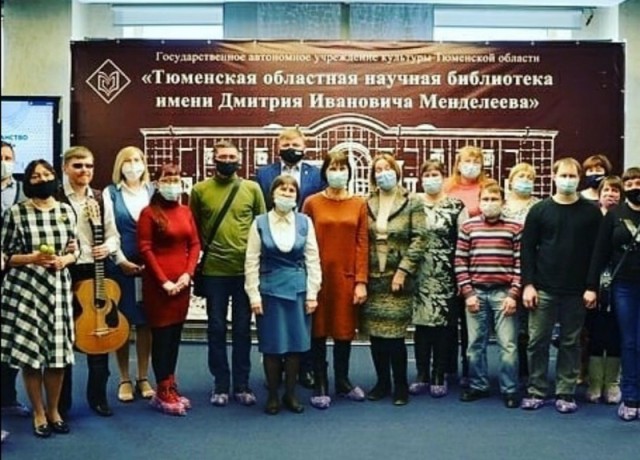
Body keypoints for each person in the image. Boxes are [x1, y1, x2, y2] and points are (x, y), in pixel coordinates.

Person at [1, 159, 78, 437]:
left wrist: (65, 260)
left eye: (47, 174)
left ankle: (54, 410)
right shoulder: (16, 213)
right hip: (26, 291)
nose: (42, 179)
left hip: (57, 289)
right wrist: (32, 258)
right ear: (28, 181)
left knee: (57, 356)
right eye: (36, 176)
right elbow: (6, 256)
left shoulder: (66, 211)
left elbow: (75, 250)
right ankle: (38, 412)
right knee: (32, 356)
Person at [520, 157, 602, 414]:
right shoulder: (539, 210)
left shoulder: (591, 212)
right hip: (543, 288)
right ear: (554, 177)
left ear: (579, 179)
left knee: (570, 342)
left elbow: (597, 253)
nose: (568, 180)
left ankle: (565, 391)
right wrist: (528, 285)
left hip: (576, 291)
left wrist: (592, 286)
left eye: (572, 176)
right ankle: (536, 389)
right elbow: (527, 250)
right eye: (563, 175)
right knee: (537, 342)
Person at [190, 140, 266, 407]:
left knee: (243, 329)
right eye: (222, 156)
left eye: (232, 156)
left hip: (245, 271)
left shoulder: (252, 189)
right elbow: (194, 228)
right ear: (213, 159)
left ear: (240, 159)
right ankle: (220, 384)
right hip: (214, 271)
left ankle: (242, 385)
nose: (227, 160)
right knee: (216, 328)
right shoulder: (199, 190)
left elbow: (261, 227)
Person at [245, 175, 322, 414]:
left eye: (291, 190)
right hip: (269, 293)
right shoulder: (259, 223)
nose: (287, 194)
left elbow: (313, 259)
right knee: (272, 346)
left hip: (298, 292)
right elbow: (251, 261)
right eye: (282, 189)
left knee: (295, 347)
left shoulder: (305, 222)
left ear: (297, 196)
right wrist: (253, 295)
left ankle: (290, 395)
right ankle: (272, 396)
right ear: (273, 194)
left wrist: (313, 293)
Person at [254, 127, 325, 388]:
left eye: (295, 143)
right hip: (273, 250)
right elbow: (261, 210)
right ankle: (275, 373)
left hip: (303, 245)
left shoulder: (316, 174)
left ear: (304, 146)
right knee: (275, 323)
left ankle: (303, 370)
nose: (290, 148)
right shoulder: (264, 174)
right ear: (277, 147)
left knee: (300, 321)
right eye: (285, 143)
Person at [302, 148, 369, 409]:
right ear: (325, 172)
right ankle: (320, 382)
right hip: (317, 277)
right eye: (333, 168)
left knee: (343, 331)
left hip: (346, 278)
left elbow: (362, 243)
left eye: (342, 168)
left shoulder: (359, 204)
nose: (338, 173)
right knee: (317, 331)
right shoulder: (311, 203)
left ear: (349, 173)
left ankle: (342, 380)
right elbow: (302, 241)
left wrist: (361, 281)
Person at [58, 146, 122, 418]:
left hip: (96, 271)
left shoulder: (99, 197)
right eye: (78, 165)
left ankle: (98, 397)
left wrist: (107, 247)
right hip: (65, 272)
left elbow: (113, 235)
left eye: (88, 166)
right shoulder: (55, 197)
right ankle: (61, 404)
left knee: (99, 331)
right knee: (64, 338)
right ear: (65, 168)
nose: (84, 170)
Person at [138, 164, 200, 416]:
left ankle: (170, 384)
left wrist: (188, 274)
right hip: (159, 286)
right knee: (162, 337)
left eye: (176, 179)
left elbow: (194, 244)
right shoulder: (148, 213)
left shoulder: (185, 211)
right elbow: (145, 248)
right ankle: (162, 390)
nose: (172, 184)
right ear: (157, 183)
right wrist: (164, 281)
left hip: (182, 284)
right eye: (167, 179)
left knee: (175, 335)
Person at [361, 154, 424, 406]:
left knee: (395, 336)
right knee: (376, 335)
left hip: (398, 279)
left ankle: (400, 385)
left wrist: (403, 271)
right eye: (378, 169)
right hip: (372, 278)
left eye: (387, 168)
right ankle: (382, 382)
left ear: (396, 171)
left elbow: (420, 239)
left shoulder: (412, 201)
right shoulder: (366, 202)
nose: (383, 173)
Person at [455, 180, 522, 408]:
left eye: (494, 199)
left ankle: (510, 389)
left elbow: (520, 264)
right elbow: (460, 262)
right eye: (485, 199)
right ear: (479, 202)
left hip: (504, 294)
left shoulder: (515, 228)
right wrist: (468, 293)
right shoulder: (468, 227)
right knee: (474, 345)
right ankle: (478, 385)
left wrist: (513, 294)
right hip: (476, 293)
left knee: (508, 345)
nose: (489, 203)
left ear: (502, 202)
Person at [409, 159, 468, 398]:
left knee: (444, 326)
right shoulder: (412, 203)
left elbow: (464, 243)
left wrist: (462, 276)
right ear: (421, 178)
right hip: (418, 273)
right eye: (427, 174)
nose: (431, 178)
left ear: (443, 177)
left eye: (436, 174)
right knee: (422, 326)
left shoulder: (456, 206)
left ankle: (439, 373)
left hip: (447, 273)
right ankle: (422, 373)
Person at [586, 167, 640, 421]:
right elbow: (599, 253)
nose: (635, 187)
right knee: (628, 341)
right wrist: (591, 287)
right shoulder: (614, 215)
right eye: (629, 184)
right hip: (624, 286)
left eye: (639, 182)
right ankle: (630, 397)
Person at [103, 146, 155, 403]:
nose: (133, 165)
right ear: (119, 165)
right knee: (121, 322)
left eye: (137, 160)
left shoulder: (153, 191)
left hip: (150, 269)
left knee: (146, 323)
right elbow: (109, 231)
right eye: (128, 160)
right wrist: (121, 261)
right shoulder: (110, 193)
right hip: (120, 267)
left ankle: (143, 377)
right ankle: (124, 378)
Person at [443, 145, 490, 387]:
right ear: (458, 164)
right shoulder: (447, 188)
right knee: (450, 318)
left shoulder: (487, 188)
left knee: (472, 317)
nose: (471, 165)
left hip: (478, 258)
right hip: (448, 258)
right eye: (467, 161)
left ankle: (470, 368)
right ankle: (448, 368)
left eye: (476, 161)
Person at [584, 176, 623, 405]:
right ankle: (595, 382)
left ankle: (612, 383)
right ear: (599, 195)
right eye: (607, 190)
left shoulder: (625, 218)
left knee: (616, 332)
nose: (611, 194)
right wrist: (590, 285)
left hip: (621, 283)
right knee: (595, 331)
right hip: (593, 282)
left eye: (616, 191)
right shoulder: (590, 217)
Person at [502, 162, 541, 381]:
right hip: (504, 269)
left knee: (529, 324)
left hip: (532, 269)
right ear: (511, 180)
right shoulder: (501, 206)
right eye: (520, 176)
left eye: (529, 178)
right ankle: (509, 371)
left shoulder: (540, 206)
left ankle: (527, 372)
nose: (525, 181)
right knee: (509, 325)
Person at [1, 141, 30, 418]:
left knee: (11, 336)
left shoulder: (24, 192)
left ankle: (7, 396)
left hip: (17, 272)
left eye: (8, 157)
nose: (4, 162)